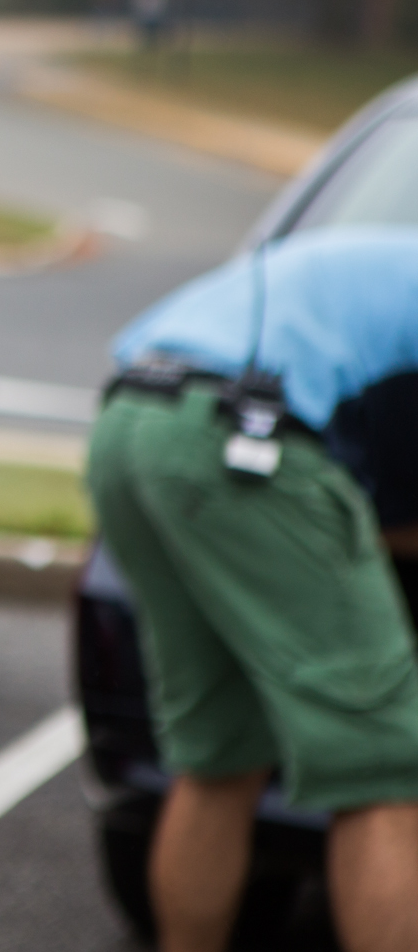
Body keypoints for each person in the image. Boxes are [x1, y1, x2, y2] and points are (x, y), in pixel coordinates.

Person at [89, 225, 418, 952]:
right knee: (387, 761)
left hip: (130, 423)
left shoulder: (379, 262)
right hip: (245, 440)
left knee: (219, 753)